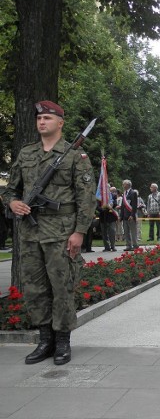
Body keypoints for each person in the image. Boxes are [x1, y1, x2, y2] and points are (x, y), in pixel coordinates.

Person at [2, 100, 95, 365]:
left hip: (61, 232)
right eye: (39, 118)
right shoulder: (26, 154)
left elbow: (86, 199)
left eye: (48, 118)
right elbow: (10, 189)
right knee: (34, 288)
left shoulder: (75, 156)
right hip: (30, 231)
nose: (42, 122)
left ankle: (62, 342)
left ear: (60, 123)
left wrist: (79, 233)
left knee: (62, 287)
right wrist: (12, 202)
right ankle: (45, 340)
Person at [120, 180, 138, 251]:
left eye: (123, 184)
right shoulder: (124, 193)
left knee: (133, 232)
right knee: (126, 232)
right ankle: (128, 245)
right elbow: (122, 206)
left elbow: (134, 205)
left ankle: (135, 245)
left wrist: (132, 215)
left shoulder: (133, 193)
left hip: (130, 216)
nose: (123, 185)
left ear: (127, 185)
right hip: (125, 216)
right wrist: (121, 216)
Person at [99, 186, 118, 252]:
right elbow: (97, 206)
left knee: (112, 232)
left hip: (111, 216)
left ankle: (113, 246)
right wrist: (103, 208)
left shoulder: (113, 195)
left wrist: (110, 206)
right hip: (103, 216)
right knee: (104, 233)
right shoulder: (99, 196)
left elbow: (115, 204)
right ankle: (106, 247)